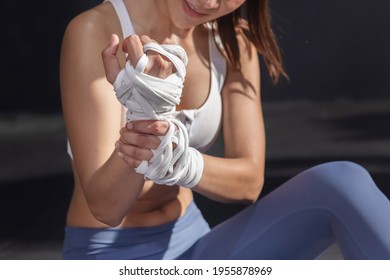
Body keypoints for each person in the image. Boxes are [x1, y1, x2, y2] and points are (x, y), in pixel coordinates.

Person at [60, 0, 390, 260]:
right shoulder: (98, 30)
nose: (208, 2)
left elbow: (248, 181)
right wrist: (147, 116)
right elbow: (106, 208)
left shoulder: (233, 42)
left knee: (341, 182)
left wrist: (179, 162)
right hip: (108, 255)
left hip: (197, 246)